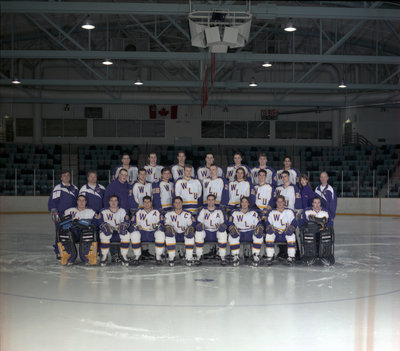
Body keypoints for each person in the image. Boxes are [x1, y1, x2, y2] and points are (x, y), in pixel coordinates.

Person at [122, 196, 165, 265]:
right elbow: (132, 224)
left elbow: (162, 224)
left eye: (148, 202)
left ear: (151, 203)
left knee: (160, 234)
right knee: (134, 234)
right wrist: (134, 226)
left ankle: (158, 256)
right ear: (143, 203)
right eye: (145, 202)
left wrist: (158, 226)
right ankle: (137, 256)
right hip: (142, 233)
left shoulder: (157, 212)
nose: (146, 204)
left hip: (152, 233)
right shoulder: (138, 212)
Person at [57, 195, 97, 265]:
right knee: (66, 232)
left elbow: (96, 223)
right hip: (73, 234)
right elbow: (62, 224)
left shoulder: (91, 211)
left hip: (85, 235)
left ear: (86, 202)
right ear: (77, 201)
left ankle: (85, 255)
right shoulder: (69, 211)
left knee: (88, 231)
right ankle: (70, 255)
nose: (81, 202)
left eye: (83, 200)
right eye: (79, 200)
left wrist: (84, 224)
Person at [48, 170, 79, 258]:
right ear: (61, 178)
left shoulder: (75, 188)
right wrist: (54, 212)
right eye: (64, 175)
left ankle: (69, 250)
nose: (66, 177)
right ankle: (58, 251)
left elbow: (79, 201)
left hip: (72, 215)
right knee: (59, 232)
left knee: (70, 232)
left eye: (68, 175)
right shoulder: (57, 188)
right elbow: (52, 201)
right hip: (60, 215)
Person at [228, 197, 264, 267]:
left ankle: (255, 255)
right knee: (232, 235)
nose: (244, 204)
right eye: (243, 202)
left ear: (248, 204)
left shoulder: (254, 213)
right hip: (239, 232)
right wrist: (232, 227)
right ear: (240, 203)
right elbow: (230, 223)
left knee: (258, 234)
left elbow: (259, 223)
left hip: (250, 232)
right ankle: (235, 256)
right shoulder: (234, 212)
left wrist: (258, 227)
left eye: (246, 202)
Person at [299, 196, 335, 266]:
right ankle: (310, 256)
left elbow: (330, 224)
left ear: (320, 203)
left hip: (322, 233)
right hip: (310, 234)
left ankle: (324, 256)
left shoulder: (325, 212)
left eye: (318, 203)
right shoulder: (306, 211)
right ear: (312, 203)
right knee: (309, 234)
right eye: (315, 203)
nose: (317, 205)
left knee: (326, 234)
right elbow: (301, 223)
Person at [195, 194, 228, 266]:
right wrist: (200, 225)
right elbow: (198, 222)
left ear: (215, 201)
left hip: (216, 231)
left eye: (212, 200)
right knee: (198, 232)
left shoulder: (220, 210)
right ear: (207, 201)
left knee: (223, 232)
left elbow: (224, 222)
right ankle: (198, 256)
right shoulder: (202, 210)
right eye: (209, 200)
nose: (210, 201)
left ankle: (222, 257)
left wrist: (222, 226)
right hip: (206, 231)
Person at [98, 195, 130, 266]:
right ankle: (104, 256)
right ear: (109, 202)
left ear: (118, 202)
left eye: (115, 200)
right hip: (108, 231)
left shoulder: (123, 210)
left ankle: (124, 256)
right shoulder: (103, 211)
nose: (113, 202)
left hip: (119, 231)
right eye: (112, 200)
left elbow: (127, 221)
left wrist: (123, 226)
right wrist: (104, 226)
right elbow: (100, 222)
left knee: (126, 234)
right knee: (104, 234)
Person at [264, 195, 297, 266]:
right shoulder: (271, 212)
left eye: (281, 202)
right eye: (278, 201)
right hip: (275, 233)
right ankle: (269, 257)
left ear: (284, 202)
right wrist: (269, 227)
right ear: (276, 203)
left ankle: (291, 257)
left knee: (291, 235)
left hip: (286, 232)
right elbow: (267, 223)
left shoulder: (290, 212)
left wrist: (292, 227)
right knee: (269, 235)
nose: (280, 203)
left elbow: (294, 222)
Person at [164, 197, 196, 266]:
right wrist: (168, 228)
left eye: (179, 202)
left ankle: (189, 258)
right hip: (174, 234)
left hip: (184, 234)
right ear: (173, 204)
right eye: (176, 203)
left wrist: (190, 228)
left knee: (190, 233)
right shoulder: (169, 214)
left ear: (182, 203)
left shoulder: (188, 214)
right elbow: (165, 224)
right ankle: (171, 257)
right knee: (169, 233)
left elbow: (192, 224)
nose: (178, 204)